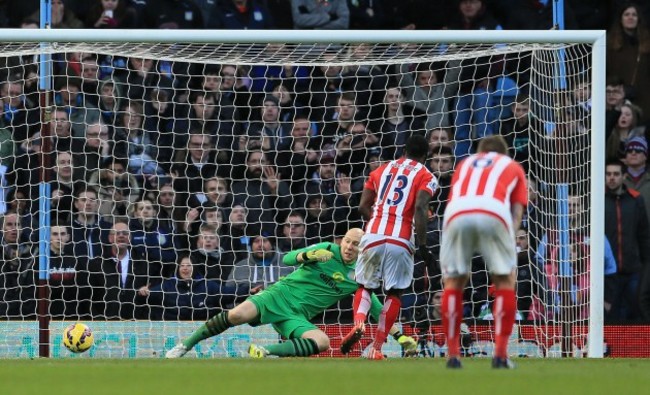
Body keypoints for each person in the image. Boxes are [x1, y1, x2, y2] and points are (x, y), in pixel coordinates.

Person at [165, 228, 417, 358]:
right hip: (278, 295)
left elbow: (373, 307)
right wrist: (308, 255)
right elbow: (286, 258)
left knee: (322, 342)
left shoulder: (359, 275)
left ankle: (265, 352)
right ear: (341, 240)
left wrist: (400, 337)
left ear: (364, 250)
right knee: (236, 315)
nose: (349, 247)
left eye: (356, 244)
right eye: (348, 241)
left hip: (297, 316)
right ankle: (184, 346)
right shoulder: (327, 249)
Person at [344, 134, 436, 360]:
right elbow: (421, 207)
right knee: (394, 292)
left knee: (364, 286)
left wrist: (377, 221)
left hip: (373, 234)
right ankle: (376, 347)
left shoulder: (380, 170)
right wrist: (423, 245)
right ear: (426, 155)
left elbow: (362, 205)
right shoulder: (427, 175)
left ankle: (358, 322)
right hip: (401, 239)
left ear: (404, 150)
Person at [439, 135, 527, 369]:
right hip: (494, 211)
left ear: (480, 152)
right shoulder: (512, 166)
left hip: (457, 213)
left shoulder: (464, 164)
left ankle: (453, 356)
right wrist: (508, 241)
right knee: (504, 280)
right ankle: (499, 355)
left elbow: (454, 198)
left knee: (454, 282)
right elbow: (517, 211)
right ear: (503, 153)